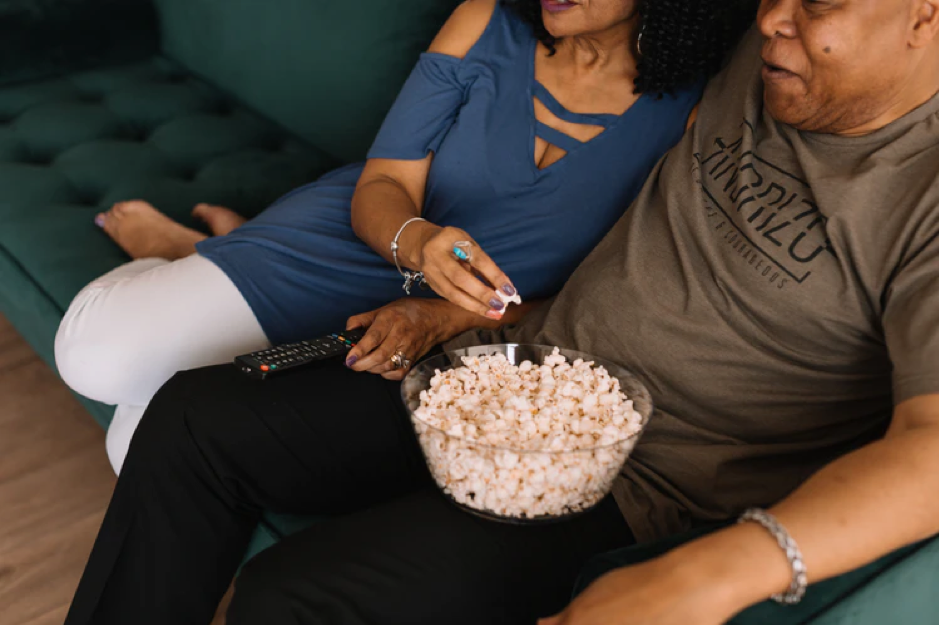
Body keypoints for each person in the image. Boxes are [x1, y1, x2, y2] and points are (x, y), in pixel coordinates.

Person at [65, 0, 939, 623]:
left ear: (924, 16)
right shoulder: (753, 55)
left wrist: (712, 575)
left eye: (816, 3)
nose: (771, 17)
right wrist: (457, 319)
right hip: (512, 363)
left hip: (634, 479)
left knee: (291, 596)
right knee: (190, 417)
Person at [53, 0, 751, 474]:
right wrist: (417, 244)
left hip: (450, 325)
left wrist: (447, 313)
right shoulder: (486, 21)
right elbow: (384, 180)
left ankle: (207, 260)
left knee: (144, 443)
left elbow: (611, 288)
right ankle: (181, 254)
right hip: (349, 240)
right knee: (95, 360)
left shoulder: (696, 110)